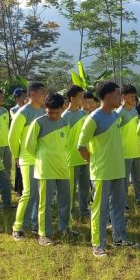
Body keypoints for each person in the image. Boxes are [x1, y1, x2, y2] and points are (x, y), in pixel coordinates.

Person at [78, 81, 137, 257]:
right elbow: (81, 146)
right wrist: (94, 161)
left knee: (118, 206)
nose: (121, 97)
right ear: (109, 96)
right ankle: (98, 243)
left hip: (118, 169)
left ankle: (119, 237)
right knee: (100, 209)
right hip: (102, 172)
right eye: (118, 94)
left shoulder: (114, 116)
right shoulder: (93, 118)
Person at [23, 92, 77, 246]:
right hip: (45, 168)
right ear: (45, 109)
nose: (53, 116)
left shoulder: (65, 122)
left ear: (63, 108)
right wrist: (42, 157)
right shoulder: (38, 123)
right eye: (49, 112)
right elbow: (29, 146)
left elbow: (66, 145)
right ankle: (44, 234)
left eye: (56, 112)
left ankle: (65, 228)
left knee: (65, 200)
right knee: (45, 203)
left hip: (62, 167)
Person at [9, 82, 47, 235]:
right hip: (27, 158)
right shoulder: (23, 113)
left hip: (42, 158)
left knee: (39, 194)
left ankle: (35, 223)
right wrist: (17, 156)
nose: (45, 96)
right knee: (29, 193)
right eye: (42, 93)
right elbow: (12, 137)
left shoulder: (44, 112)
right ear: (32, 94)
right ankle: (18, 227)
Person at [62, 85, 90, 221]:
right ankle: (70, 213)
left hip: (84, 157)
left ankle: (84, 211)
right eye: (81, 97)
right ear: (72, 99)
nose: (83, 100)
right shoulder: (64, 117)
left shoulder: (84, 115)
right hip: (71, 159)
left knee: (85, 188)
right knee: (71, 190)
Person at [118, 84, 140, 207]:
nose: (133, 99)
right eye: (130, 97)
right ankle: (123, 202)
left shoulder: (135, 111)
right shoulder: (120, 112)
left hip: (136, 150)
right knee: (124, 181)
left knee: (137, 178)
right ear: (123, 96)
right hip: (125, 152)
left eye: (134, 97)